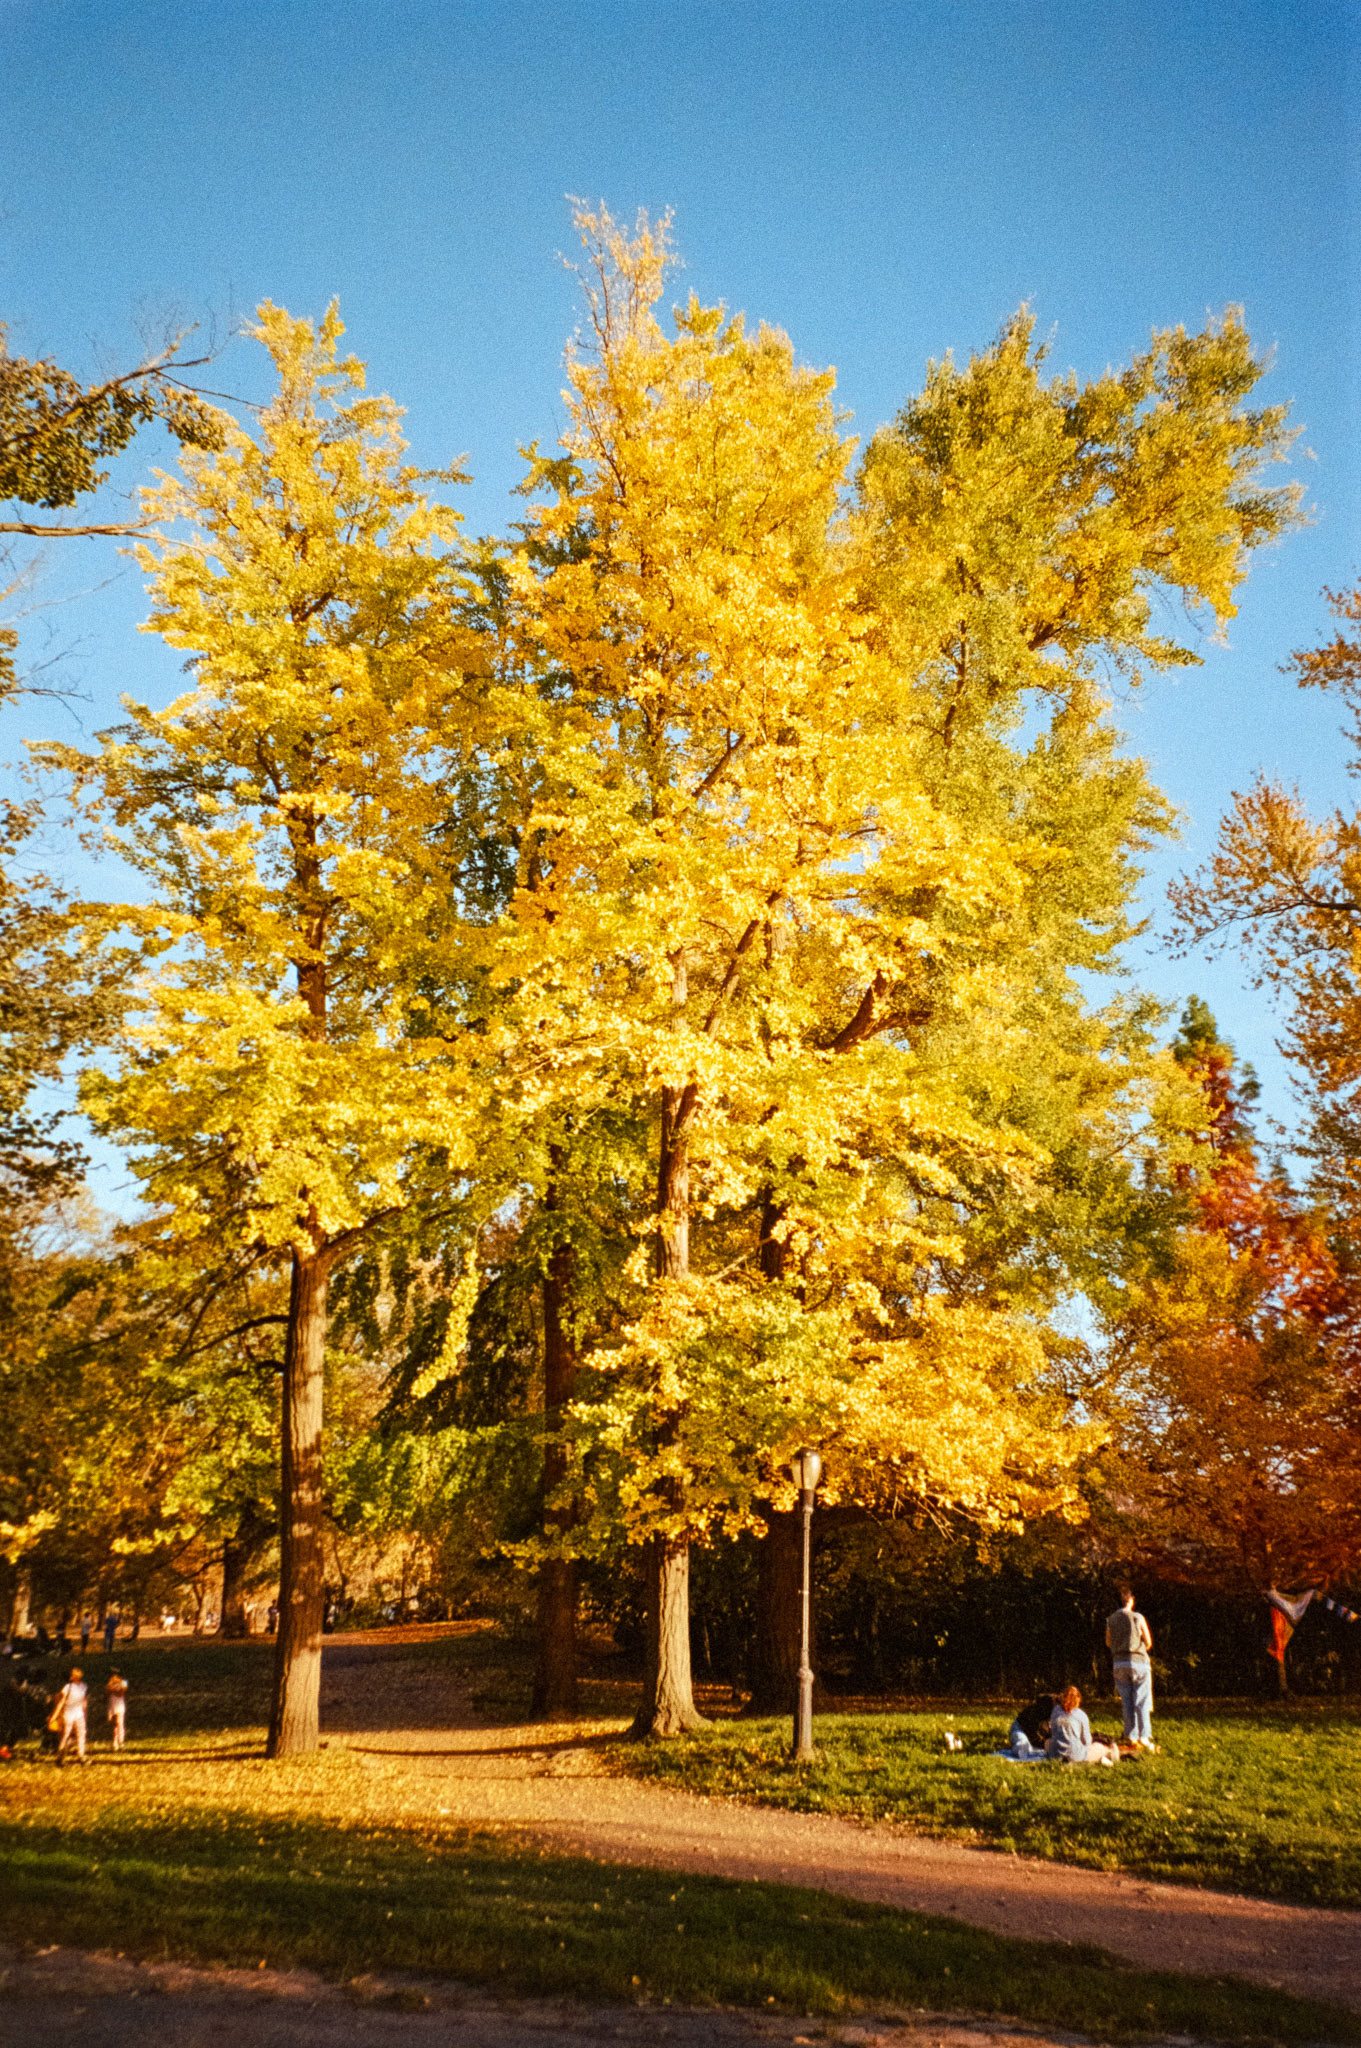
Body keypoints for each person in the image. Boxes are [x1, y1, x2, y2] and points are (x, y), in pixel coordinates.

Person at [1105, 1585, 1157, 1751]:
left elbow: (1108, 1642)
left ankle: (1130, 1735)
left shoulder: (1111, 1619)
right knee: (1141, 1700)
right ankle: (1144, 1735)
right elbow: (1148, 1642)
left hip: (1119, 1663)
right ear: (1131, 1600)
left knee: (1127, 1701)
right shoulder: (1137, 1617)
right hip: (1138, 1661)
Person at [1046, 1684, 1118, 1765]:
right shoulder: (1081, 1715)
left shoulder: (1055, 1710)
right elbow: (1087, 1741)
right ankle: (1111, 1752)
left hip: (1055, 1755)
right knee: (1100, 1747)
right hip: (1076, 1756)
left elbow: (1053, 1732)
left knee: (1047, 1742)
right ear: (1078, 1700)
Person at [52, 1667, 89, 1766]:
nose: (77, 1675)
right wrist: (54, 1716)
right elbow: (61, 1702)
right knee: (66, 1736)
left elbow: (84, 1701)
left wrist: (85, 1713)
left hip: (79, 1714)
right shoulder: (67, 1687)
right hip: (68, 1714)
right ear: (71, 1677)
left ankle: (81, 1756)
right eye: (74, 1674)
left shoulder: (83, 1686)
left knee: (81, 1735)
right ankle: (60, 1757)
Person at [1006, 1692, 1057, 1760]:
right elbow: (1034, 1736)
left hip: (1037, 1736)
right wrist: (1045, 1744)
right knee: (1022, 1749)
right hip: (1020, 1729)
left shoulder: (1055, 1713)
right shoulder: (1033, 1714)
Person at [106, 1671, 128, 1751]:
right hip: (112, 1705)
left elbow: (121, 1693)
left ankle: (121, 1741)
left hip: (120, 1706)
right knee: (115, 1725)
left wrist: (114, 1689)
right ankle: (115, 1742)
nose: (114, 1677)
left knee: (120, 1724)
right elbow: (107, 1691)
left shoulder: (124, 1682)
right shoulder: (111, 1683)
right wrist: (111, 1684)